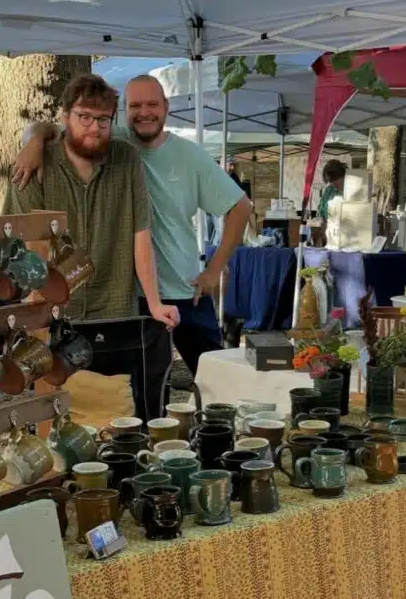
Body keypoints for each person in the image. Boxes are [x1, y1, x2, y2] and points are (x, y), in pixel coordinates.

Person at [13, 74, 252, 378]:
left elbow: (241, 207)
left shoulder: (186, 155)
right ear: (124, 111)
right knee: (145, 389)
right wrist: (32, 140)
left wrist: (215, 268)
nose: (144, 112)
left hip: (183, 288)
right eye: (135, 105)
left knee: (215, 379)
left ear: (166, 107)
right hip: (131, 295)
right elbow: (49, 128)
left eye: (152, 104)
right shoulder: (107, 137)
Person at [5, 73, 179, 421]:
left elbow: (140, 234)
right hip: (53, 312)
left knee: (121, 411)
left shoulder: (126, 160)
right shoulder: (36, 165)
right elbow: (24, 246)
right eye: (84, 116)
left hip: (114, 309)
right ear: (65, 116)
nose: (94, 127)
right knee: (55, 415)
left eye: (103, 119)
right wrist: (37, 305)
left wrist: (155, 302)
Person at [316, 160, 348, 224]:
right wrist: (320, 220)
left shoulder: (351, 191)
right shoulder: (329, 190)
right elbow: (320, 211)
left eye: (334, 180)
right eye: (330, 181)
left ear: (343, 176)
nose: (332, 184)